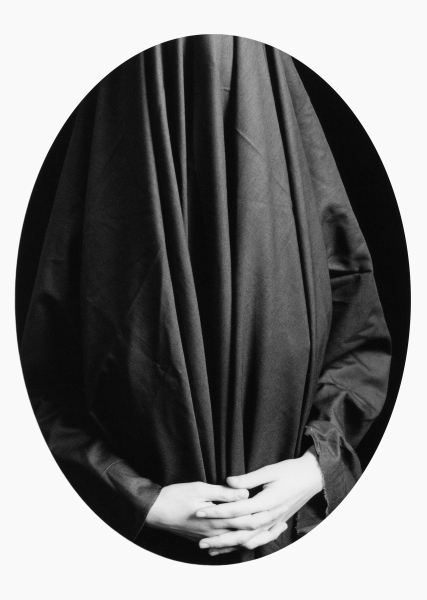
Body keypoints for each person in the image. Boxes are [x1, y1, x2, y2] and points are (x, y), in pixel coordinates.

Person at [17, 35, 392, 565]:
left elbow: (361, 345)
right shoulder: (103, 164)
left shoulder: (293, 158)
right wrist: (143, 502)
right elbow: (38, 389)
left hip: (293, 545)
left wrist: (315, 468)